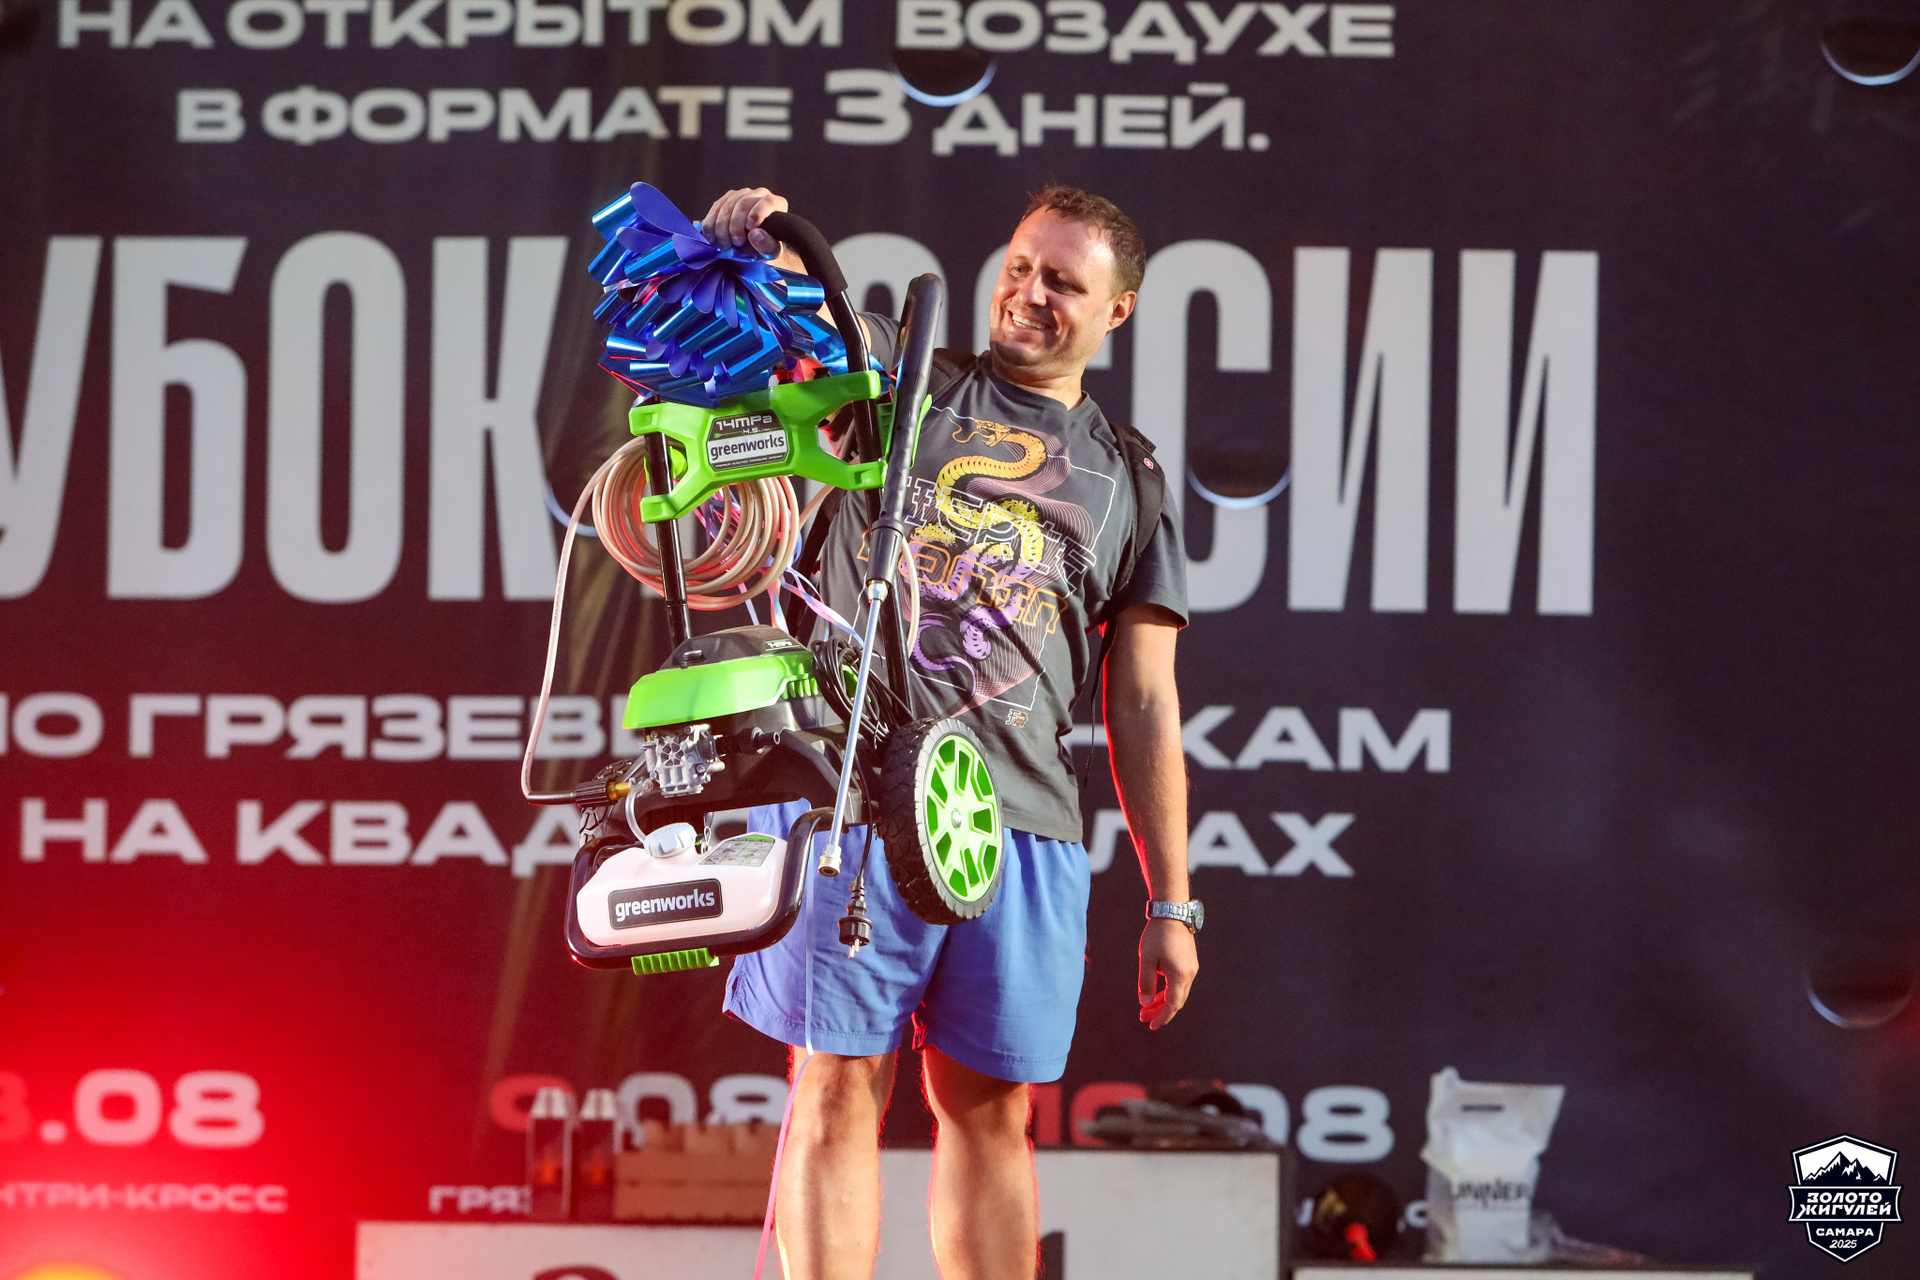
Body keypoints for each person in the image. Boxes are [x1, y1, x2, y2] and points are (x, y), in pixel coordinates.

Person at [703, 183, 1198, 1280]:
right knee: (835, 1080)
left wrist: (1171, 900)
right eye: (1020, 266)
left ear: (1116, 310)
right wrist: (755, 235)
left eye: (1063, 281)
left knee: (990, 1106)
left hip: (1017, 828)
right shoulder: (900, 373)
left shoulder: (1131, 476)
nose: (1028, 293)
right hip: (854, 796)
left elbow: (1145, 701)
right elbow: (796, 307)